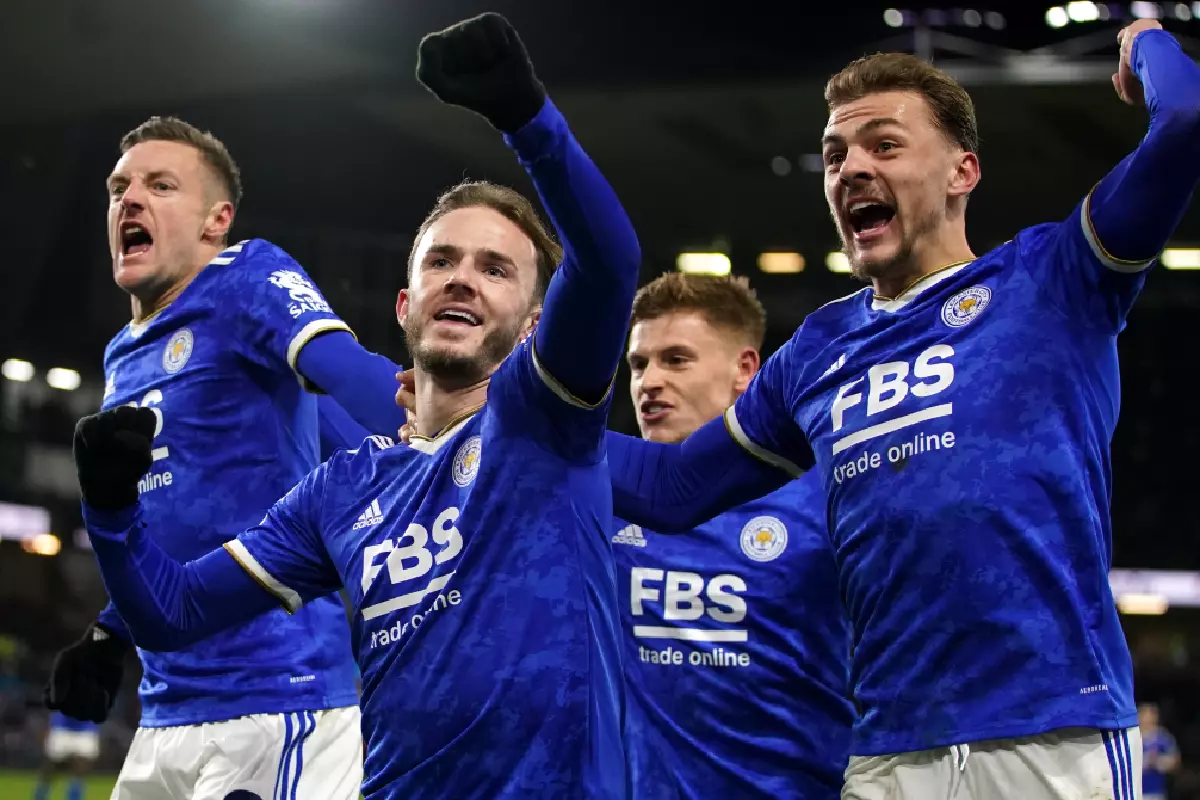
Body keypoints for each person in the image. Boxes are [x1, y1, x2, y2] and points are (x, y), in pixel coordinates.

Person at [603, 19, 1199, 798]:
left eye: (884, 145)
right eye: (835, 156)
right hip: (888, 754)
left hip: (1052, 733)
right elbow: (673, 486)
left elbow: (1185, 120)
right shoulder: (818, 350)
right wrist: (508, 413)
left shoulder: (1051, 280)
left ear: (962, 171)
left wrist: (1147, 40)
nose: (851, 168)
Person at [67, 12, 641, 799]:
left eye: (495, 268)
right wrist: (108, 518)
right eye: (441, 261)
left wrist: (528, 121)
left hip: (289, 709)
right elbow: (174, 604)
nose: (462, 277)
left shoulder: (544, 423)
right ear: (405, 303)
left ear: (537, 324)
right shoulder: (340, 492)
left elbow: (608, 267)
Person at [45, 113, 410, 798]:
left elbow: (350, 371)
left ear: (217, 220)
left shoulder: (244, 276)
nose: (131, 199)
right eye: (119, 188)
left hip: (276, 702)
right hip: (165, 709)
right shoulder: (123, 355)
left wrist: (458, 418)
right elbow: (172, 519)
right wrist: (110, 633)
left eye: (161, 186)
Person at [31, 712, 101, 800]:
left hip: (86, 731)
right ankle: (39, 796)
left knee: (80, 770)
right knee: (50, 770)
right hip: (61, 729)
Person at [1140, 702, 1179, 800]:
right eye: (1144, 715)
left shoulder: (1163, 738)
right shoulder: (1132, 738)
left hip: (1156, 792)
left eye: (1151, 715)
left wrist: (1157, 762)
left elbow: (1175, 763)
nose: (1147, 719)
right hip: (1135, 792)